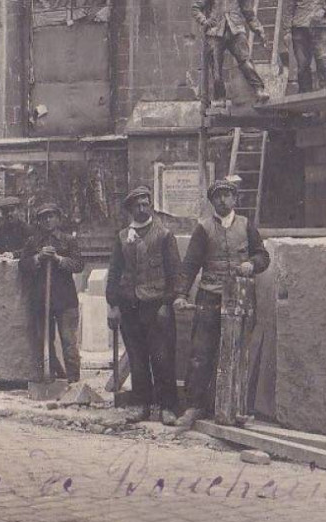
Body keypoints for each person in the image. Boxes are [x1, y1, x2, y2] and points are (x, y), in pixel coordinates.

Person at [176, 177, 270, 427]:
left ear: (234, 198)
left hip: (240, 298)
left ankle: (235, 407)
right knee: (200, 353)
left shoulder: (247, 226)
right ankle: (194, 407)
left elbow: (263, 255)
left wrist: (253, 263)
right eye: (217, 196)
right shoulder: (204, 229)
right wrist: (182, 294)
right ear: (211, 201)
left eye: (227, 195)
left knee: (237, 353)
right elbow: (190, 265)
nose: (222, 200)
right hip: (209, 295)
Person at [106, 185, 184, 426]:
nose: (142, 208)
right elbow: (114, 273)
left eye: (146, 203)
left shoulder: (164, 235)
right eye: (137, 205)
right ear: (130, 209)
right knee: (137, 358)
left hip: (157, 306)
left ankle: (167, 407)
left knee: (162, 358)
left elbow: (175, 273)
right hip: (129, 306)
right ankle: (140, 404)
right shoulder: (122, 237)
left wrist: (167, 303)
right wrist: (114, 306)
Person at [20, 202, 83, 384]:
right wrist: (38, 257)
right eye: (43, 217)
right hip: (41, 299)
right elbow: (23, 265)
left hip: (65, 300)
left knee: (68, 341)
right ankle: (49, 378)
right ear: (39, 221)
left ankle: (73, 381)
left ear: (58, 218)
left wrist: (58, 259)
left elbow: (79, 265)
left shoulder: (68, 240)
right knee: (43, 341)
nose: (48, 220)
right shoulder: (33, 242)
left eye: (51, 216)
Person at [192, 0, 269, 106]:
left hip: (236, 31)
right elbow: (196, 8)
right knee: (216, 70)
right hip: (215, 33)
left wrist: (259, 30)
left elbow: (249, 15)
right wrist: (204, 21)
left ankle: (259, 89)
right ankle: (220, 98)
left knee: (245, 61)